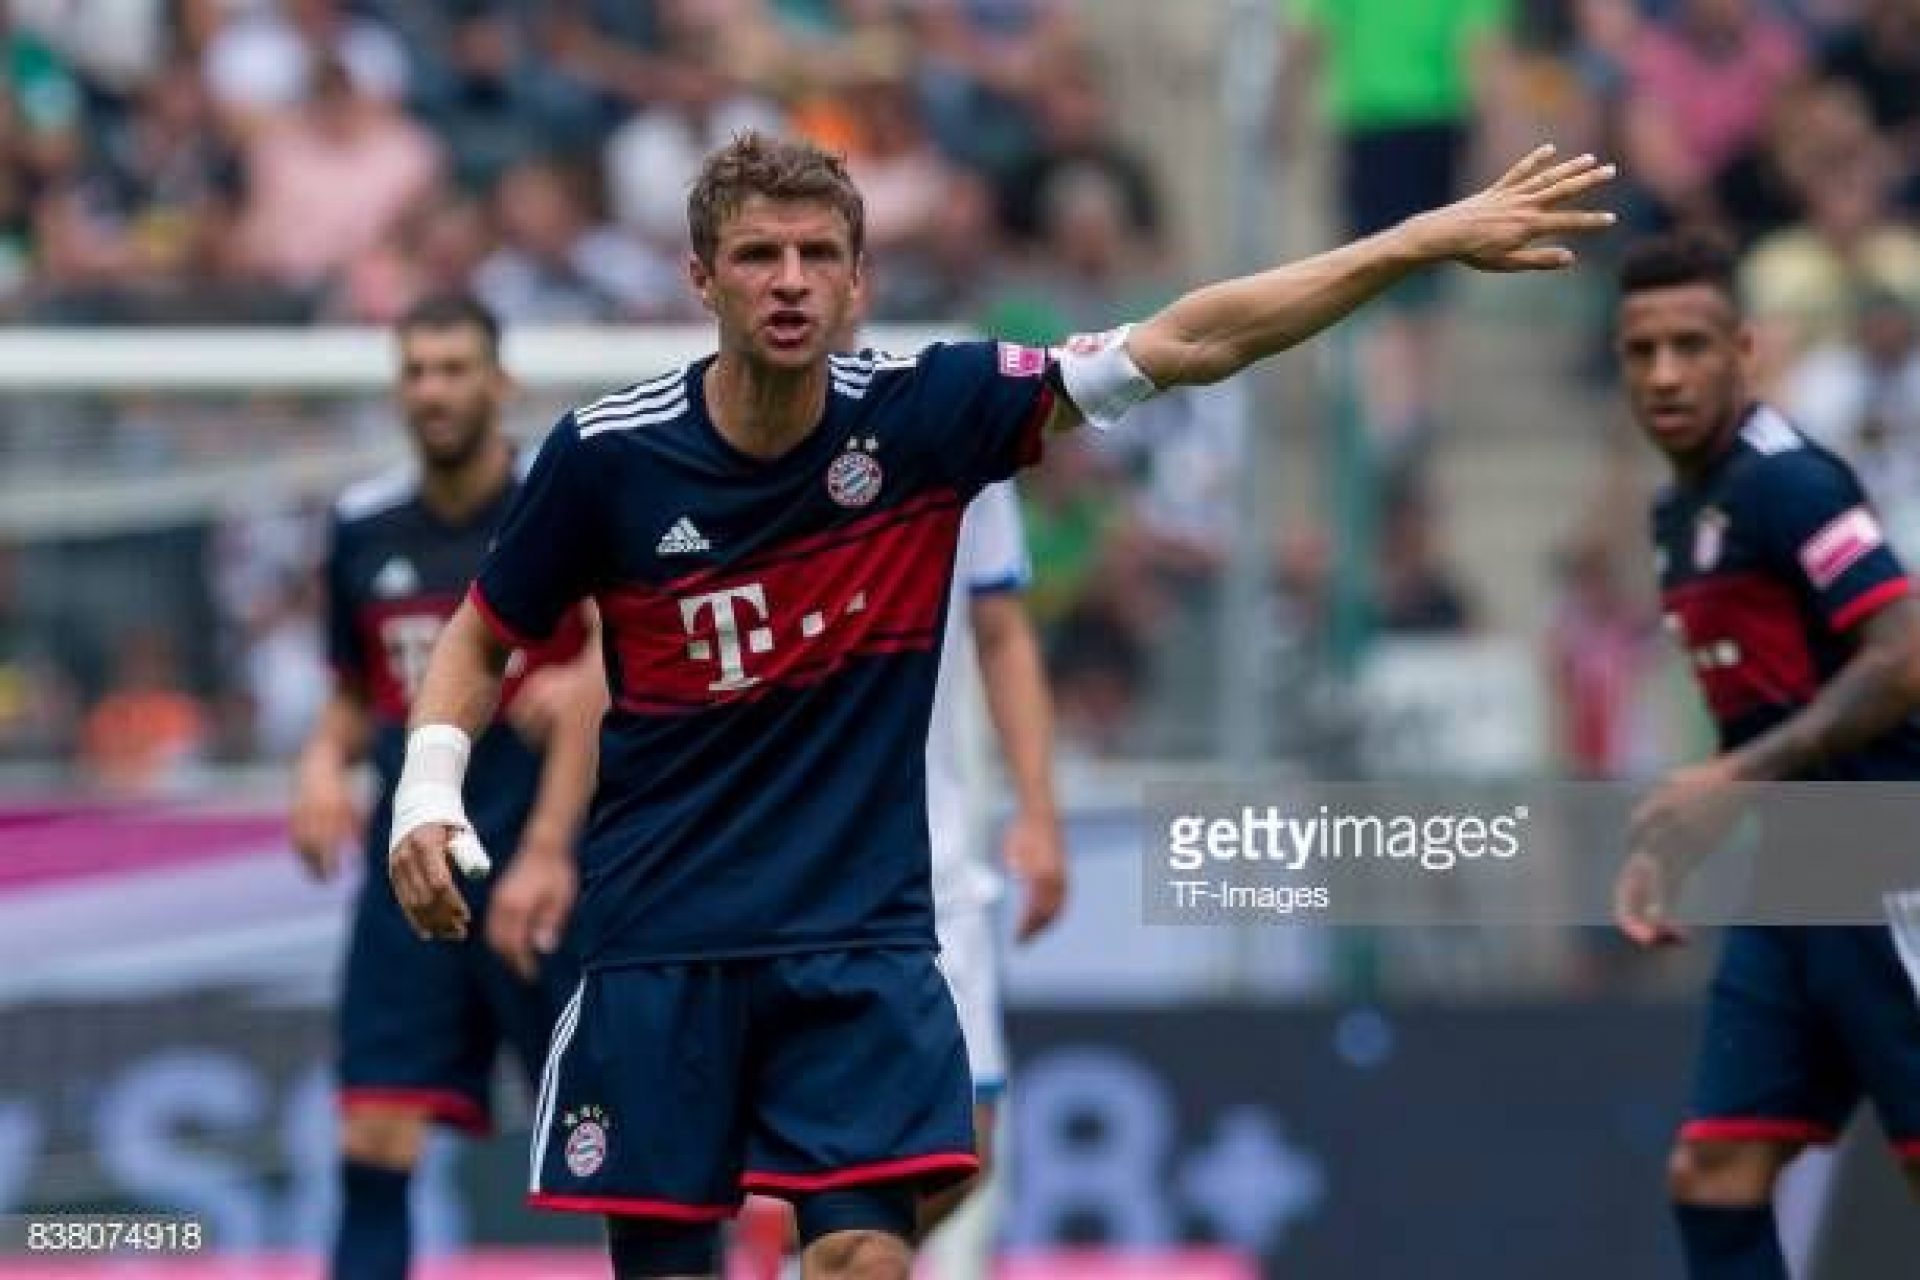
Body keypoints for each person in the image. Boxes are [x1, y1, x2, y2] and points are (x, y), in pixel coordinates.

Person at [387, 132, 1614, 1280]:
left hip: (856, 940)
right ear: (700, 277)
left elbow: (1189, 341)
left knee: (866, 1256)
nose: (790, 280)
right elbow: (482, 635)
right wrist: (428, 791)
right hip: (665, 936)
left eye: (818, 254)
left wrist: (1413, 240)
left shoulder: (928, 415)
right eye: (758, 254)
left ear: (859, 279)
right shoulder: (608, 454)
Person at [1609, 232, 1920, 1279]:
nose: (1665, 373)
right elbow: (1762, 711)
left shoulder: (1791, 484)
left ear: (1742, 349)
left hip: (1888, 860)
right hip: (1795, 881)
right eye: (1642, 350)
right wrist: (1687, 838)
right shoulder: (1678, 512)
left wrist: (1730, 782)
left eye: (1691, 345)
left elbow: (1903, 659)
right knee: (1715, 1171)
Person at [289, 294, 600, 1280]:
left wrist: (583, 693)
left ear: (500, 383)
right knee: (373, 1135)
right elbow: (357, 690)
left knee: (619, 1147)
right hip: (411, 870)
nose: (434, 391)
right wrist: (319, 763)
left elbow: (624, 653)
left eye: (455, 368)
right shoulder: (361, 525)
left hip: (553, 871)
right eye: (417, 371)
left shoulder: (559, 505)